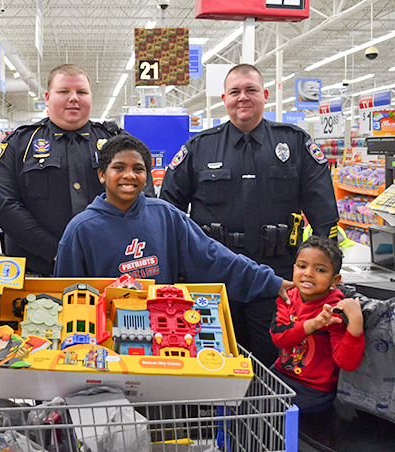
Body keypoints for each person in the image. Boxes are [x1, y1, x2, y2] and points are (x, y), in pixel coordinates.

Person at [159, 63, 339, 366]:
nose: (243, 97)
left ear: (265, 95)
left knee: (273, 363)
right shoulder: (200, 148)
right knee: (212, 358)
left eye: (251, 90)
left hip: (276, 277)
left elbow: (324, 215)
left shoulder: (294, 143)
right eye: (235, 92)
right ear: (224, 98)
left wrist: (329, 273)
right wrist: (176, 269)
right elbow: (168, 211)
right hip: (214, 276)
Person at [54, 135, 292, 306]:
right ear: (102, 174)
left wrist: (271, 282)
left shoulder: (166, 216)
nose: (129, 175)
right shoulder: (80, 230)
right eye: (119, 167)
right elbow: (67, 295)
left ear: (146, 176)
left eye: (138, 168)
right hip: (103, 338)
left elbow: (213, 257)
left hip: (164, 329)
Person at [0, 63, 153, 276]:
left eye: (81, 92)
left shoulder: (118, 142)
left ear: (91, 97)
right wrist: (57, 251)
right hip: (38, 270)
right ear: (48, 97)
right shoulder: (21, 143)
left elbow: (144, 199)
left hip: (109, 269)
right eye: (64, 91)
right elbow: (2, 203)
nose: (73, 98)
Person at [270, 236, 364, 413]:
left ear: (335, 280)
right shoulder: (287, 298)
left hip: (314, 389)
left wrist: (355, 324)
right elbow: (278, 337)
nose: (308, 273)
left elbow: (347, 362)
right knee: (248, 402)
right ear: (294, 268)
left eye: (320, 270)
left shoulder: (335, 311)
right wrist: (312, 324)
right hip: (281, 375)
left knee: (275, 418)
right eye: (302, 266)